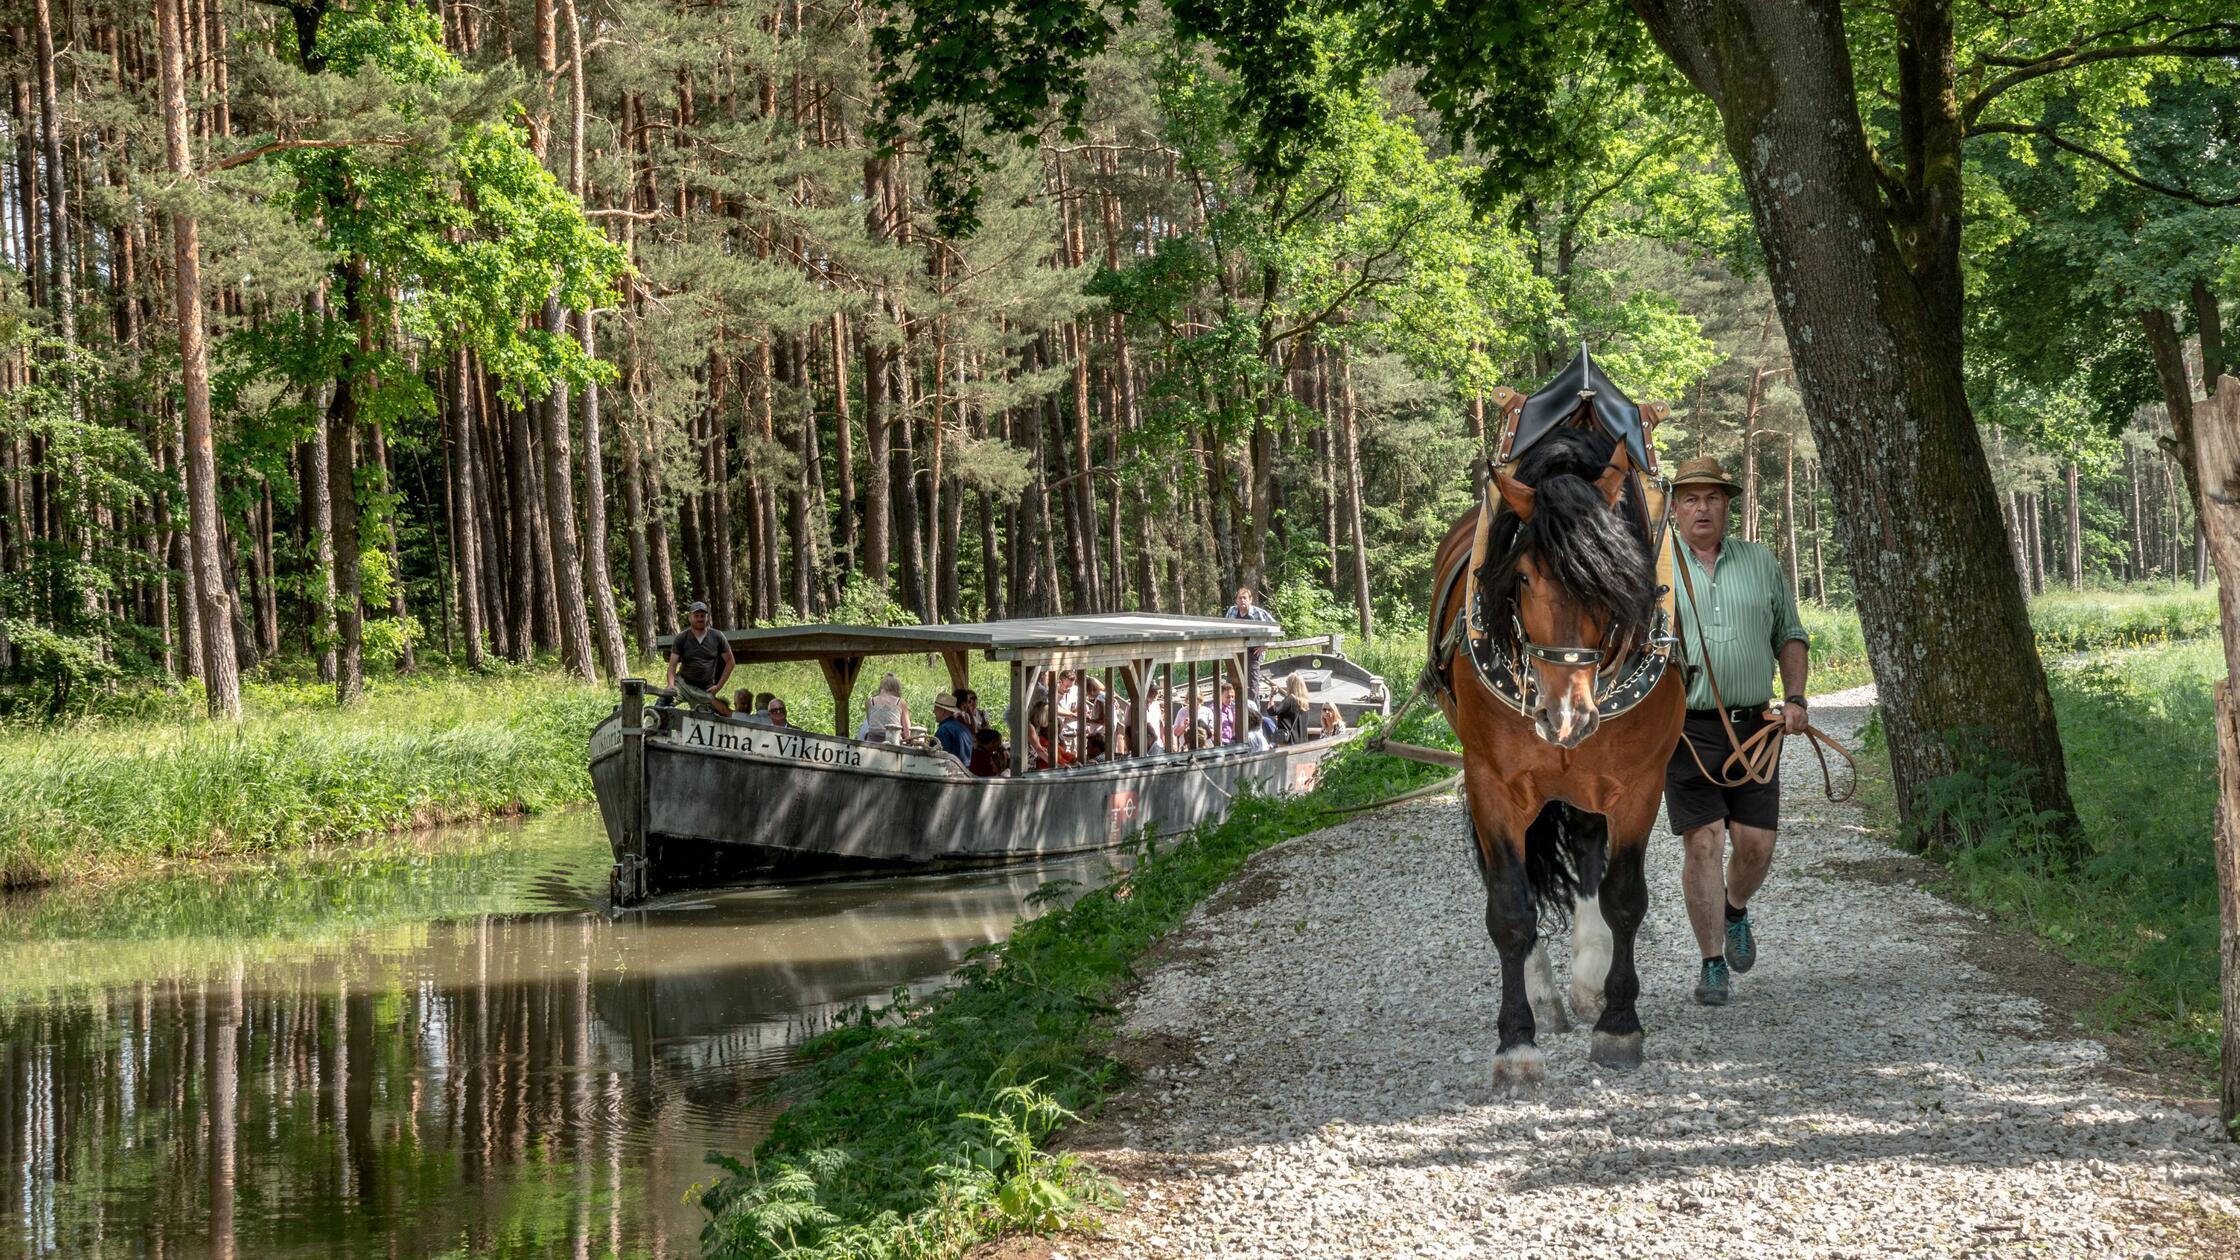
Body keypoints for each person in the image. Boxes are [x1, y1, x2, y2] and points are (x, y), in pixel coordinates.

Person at [1662, 456, 1811, 1008]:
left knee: (1756, 846)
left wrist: (1794, 698)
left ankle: (1736, 909)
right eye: (1692, 498)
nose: (1703, 507)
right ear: (1675, 508)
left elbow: (1790, 634)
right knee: (1703, 842)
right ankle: (1711, 962)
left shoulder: (1761, 561)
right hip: (1683, 730)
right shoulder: (1656, 567)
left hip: (1755, 729)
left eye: (1714, 498)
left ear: (1729, 506)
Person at [665, 601, 734, 715]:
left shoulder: (717, 636)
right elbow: (672, 666)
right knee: (662, 704)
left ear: (707, 617)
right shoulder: (681, 638)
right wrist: (671, 685)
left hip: (704, 690)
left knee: (711, 717)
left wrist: (719, 686)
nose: (700, 619)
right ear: (690, 617)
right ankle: (654, 730)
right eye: (696, 616)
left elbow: (730, 662)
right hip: (682, 684)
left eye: (703, 616)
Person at [1222, 585, 1278, 696]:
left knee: (1252, 686)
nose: (1242, 600)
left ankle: (1253, 712)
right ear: (1236, 600)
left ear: (1250, 600)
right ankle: (1233, 711)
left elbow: (1276, 628)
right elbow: (1224, 629)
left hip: (1253, 653)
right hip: (1234, 653)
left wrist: (1266, 646)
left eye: (1245, 598)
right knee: (1232, 684)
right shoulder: (1232, 611)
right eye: (1240, 598)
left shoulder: (1259, 613)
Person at [861, 673, 913, 741]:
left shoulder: (869, 702)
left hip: (872, 741)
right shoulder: (901, 702)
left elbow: (869, 723)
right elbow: (907, 733)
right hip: (893, 742)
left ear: (881, 687)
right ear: (897, 688)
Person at [933, 692, 976, 764]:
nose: (933, 711)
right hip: (966, 773)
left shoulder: (944, 731)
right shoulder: (964, 729)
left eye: (936, 708)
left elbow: (937, 761)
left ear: (943, 711)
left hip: (951, 773)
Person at [1268, 673, 1311, 745]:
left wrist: (1272, 695)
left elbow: (1272, 711)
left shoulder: (1290, 699)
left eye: (1287, 683)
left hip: (1289, 742)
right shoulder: (1305, 702)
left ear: (1291, 685)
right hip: (1302, 743)